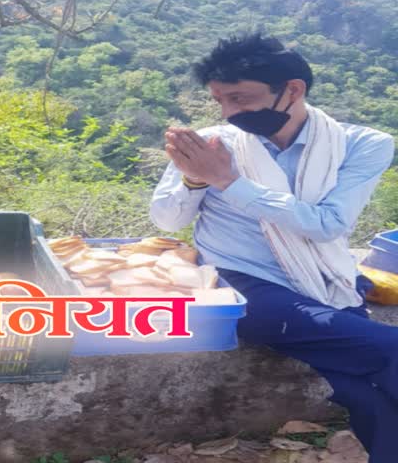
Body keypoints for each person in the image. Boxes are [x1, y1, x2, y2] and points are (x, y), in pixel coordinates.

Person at [149, 33, 397, 462]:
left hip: (325, 278)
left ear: (292, 90)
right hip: (242, 282)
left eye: (240, 98)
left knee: (366, 389)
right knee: (389, 349)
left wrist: (228, 181)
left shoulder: (362, 145)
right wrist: (194, 178)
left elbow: (329, 225)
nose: (229, 112)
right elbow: (168, 222)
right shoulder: (212, 144)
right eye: (220, 100)